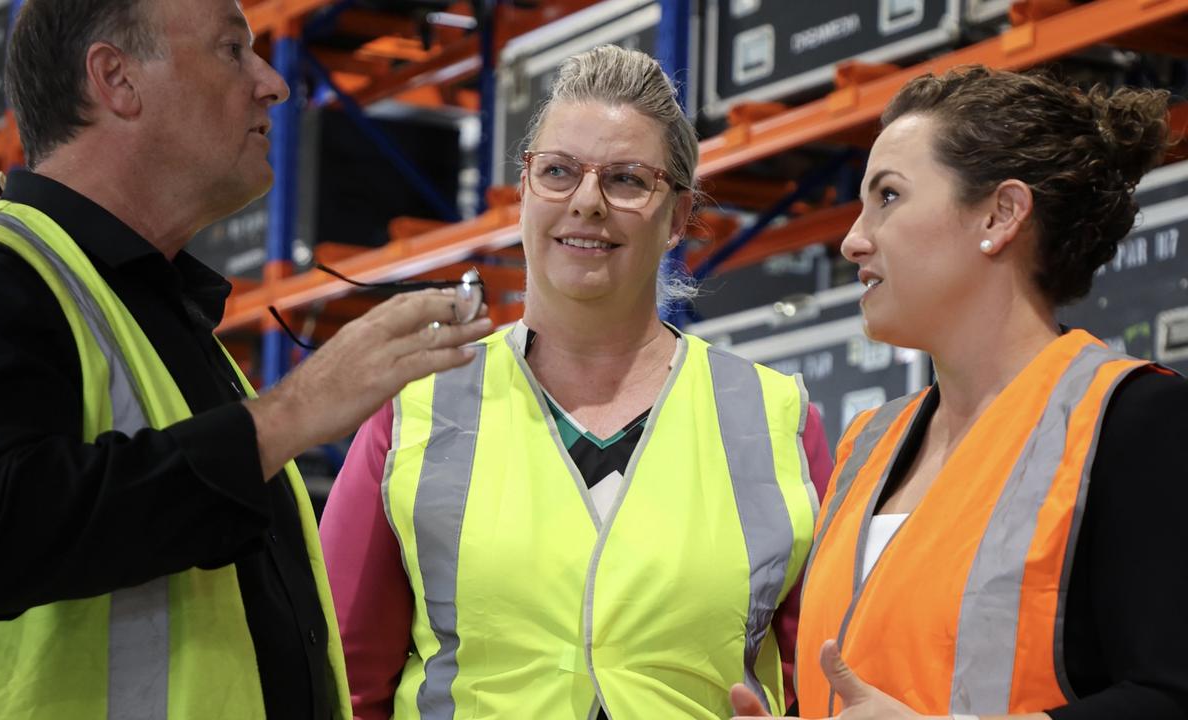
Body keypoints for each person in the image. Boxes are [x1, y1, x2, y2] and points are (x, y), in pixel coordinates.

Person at [0, 0, 491, 717]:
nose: (273, 82)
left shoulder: (173, 331)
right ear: (117, 79)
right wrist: (295, 411)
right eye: (230, 50)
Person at [318, 44, 833, 720]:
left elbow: (828, 675)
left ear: (677, 217)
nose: (587, 202)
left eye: (626, 180)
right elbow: (341, 681)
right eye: (558, 172)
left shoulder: (777, 422)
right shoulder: (415, 410)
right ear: (524, 193)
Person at [729, 67, 1188, 720]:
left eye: (888, 197)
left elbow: (1170, 694)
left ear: (1001, 215)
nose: (853, 238)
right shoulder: (867, 446)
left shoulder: (1132, 422)